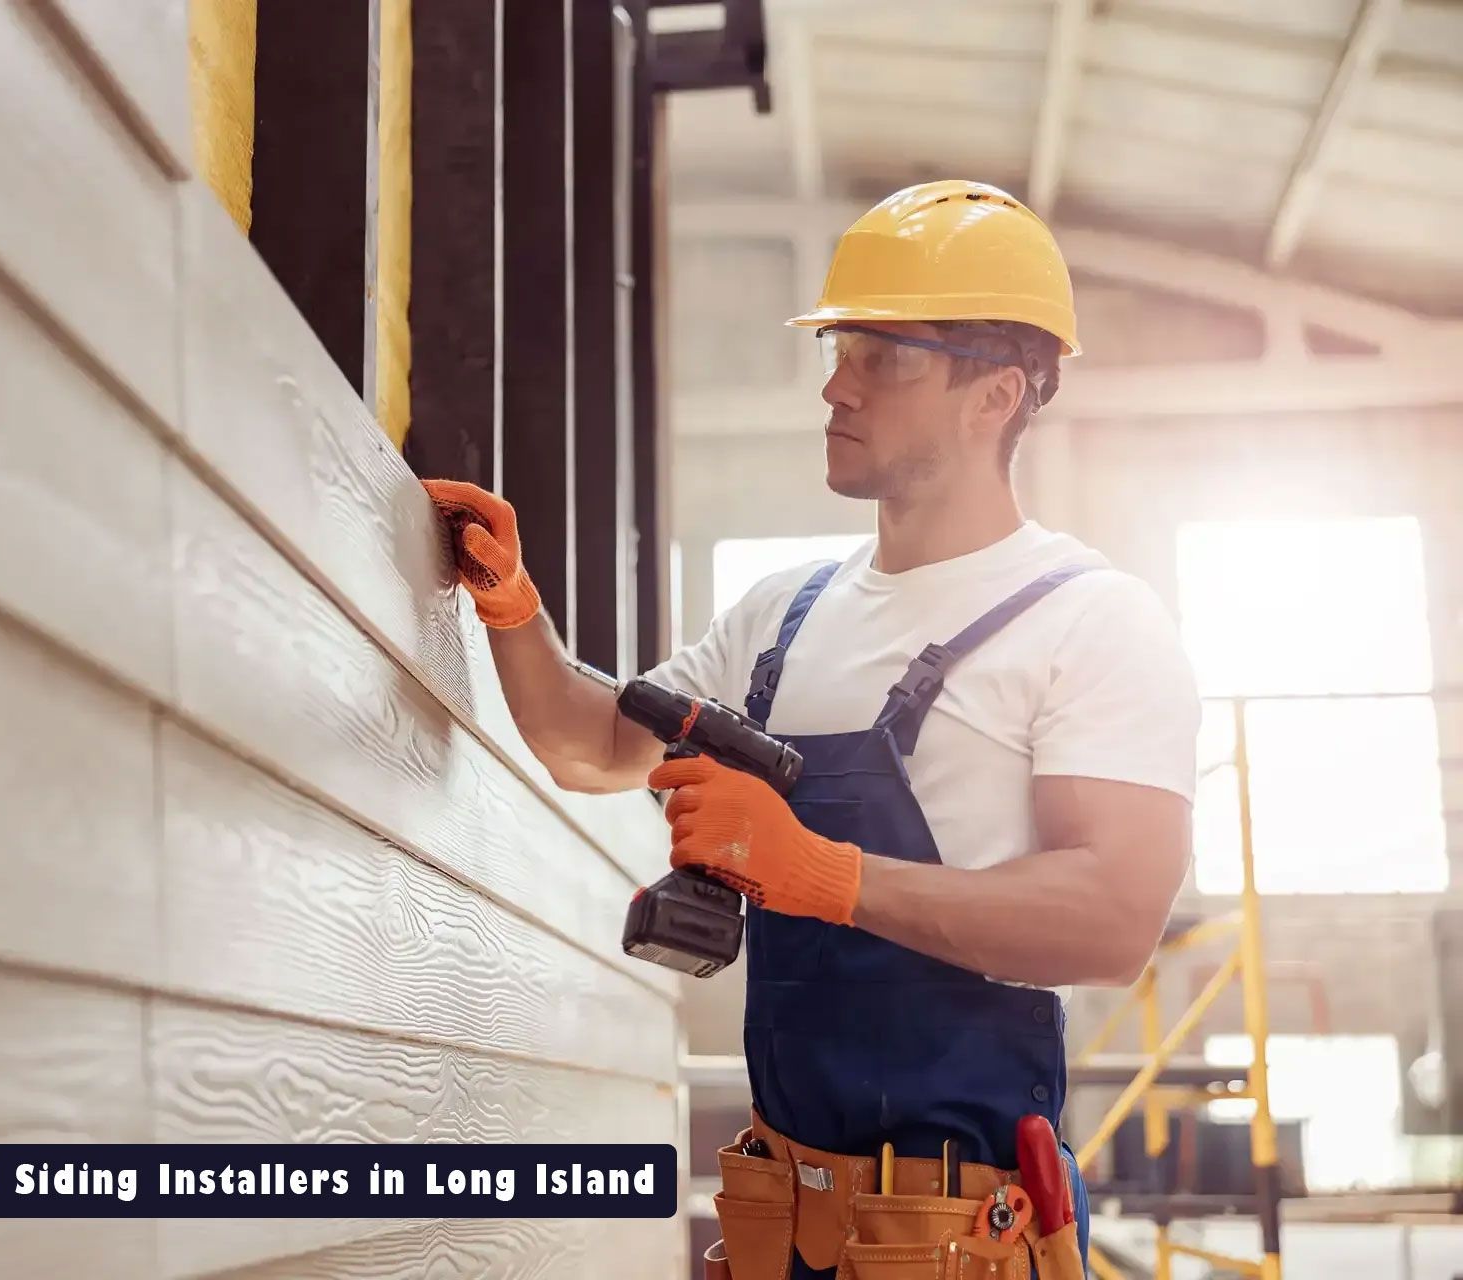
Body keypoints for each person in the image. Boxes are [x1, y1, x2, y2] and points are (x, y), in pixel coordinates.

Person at [420, 179, 1199, 1279]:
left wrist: (821, 873)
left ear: (997, 394)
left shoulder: (1091, 617)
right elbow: (592, 744)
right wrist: (511, 608)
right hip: (778, 1227)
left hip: (954, 1240)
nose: (836, 385)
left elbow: (1113, 918)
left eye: (885, 356)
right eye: (840, 349)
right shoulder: (781, 616)